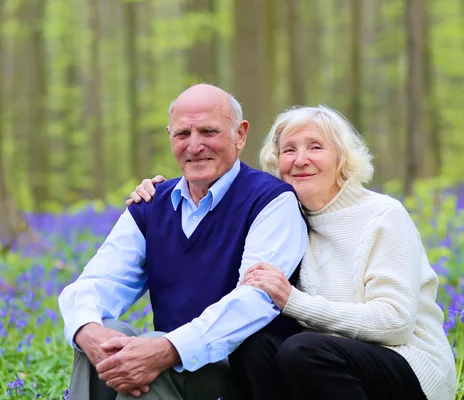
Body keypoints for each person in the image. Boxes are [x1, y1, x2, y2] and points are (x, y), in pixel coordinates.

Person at [128, 105, 456, 400]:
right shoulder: (283, 216)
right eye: (288, 150)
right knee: (253, 345)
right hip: (325, 369)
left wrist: (294, 301)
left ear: (342, 158)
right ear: (276, 162)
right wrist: (162, 192)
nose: (300, 160)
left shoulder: (382, 215)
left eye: (316, 147)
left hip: (409, 368)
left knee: (303, 349)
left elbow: (395, 324)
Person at [58, 84, 308, 400]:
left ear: (240, 135)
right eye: (182, 134)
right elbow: (98, 281)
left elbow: (254, 300)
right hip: (173, 360)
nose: (194, 146)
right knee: (108, 342)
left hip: (240, 374)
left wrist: (168, 349)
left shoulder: (270, 200)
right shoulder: (151, 204)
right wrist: (88, 332)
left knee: (154, 368)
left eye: (208, 131)